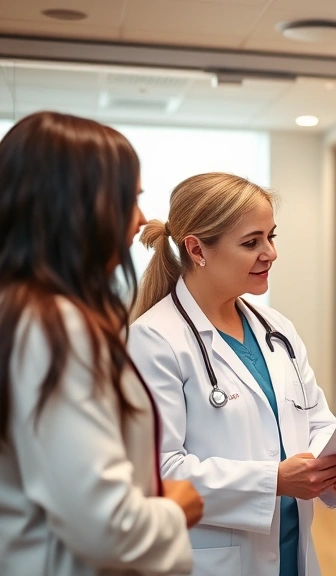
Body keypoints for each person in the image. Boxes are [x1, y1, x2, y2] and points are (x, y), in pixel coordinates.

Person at [128, 173, 336, 576]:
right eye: (251, 242)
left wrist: (330, 467)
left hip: (292, 548)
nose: (270, 253)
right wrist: (273, 480)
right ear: (197, 249)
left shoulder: (276, 328)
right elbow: (158, 471)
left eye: (271, 237)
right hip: (211, 557)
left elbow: (316, 419)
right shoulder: (154, 340)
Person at [0, 111, 201, 575]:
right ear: (78, 207)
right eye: (130, 200)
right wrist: (177, 510)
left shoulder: (20, 311)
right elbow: (108, 528)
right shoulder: (54, 328)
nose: (142, 220)